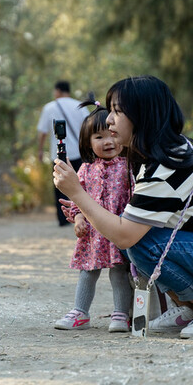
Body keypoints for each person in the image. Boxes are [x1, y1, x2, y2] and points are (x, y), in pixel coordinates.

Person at [53, 76, 193, 338]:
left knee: (138, 243)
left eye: (118, 111)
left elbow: (123, 235)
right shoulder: (163, 153)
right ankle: (190, 307)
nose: (108, 119)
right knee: (138, 239)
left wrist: (77, 193)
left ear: (143, 116)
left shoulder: (167, 166)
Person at [53, 104, 135, 333]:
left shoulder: (129, 167)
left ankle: (121, 314)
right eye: (99, 137)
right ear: (87, 143)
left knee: (120, 272)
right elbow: (78, 198)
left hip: (119, 229)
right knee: (87, 272)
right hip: (92, 233)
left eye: (112, 135)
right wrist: (78, 219)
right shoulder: (86, 170)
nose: (108, 141)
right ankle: (80, 312)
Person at [37, 81, 88, 226]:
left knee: (59, 186)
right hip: (80, 153)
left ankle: (63, 219)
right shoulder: (80, 106)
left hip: (58, 155)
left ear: (58, 91)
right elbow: (89, 128)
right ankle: (84, 216)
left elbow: (42, 132)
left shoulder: (49, 107)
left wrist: (40, 150)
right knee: (82, 185)